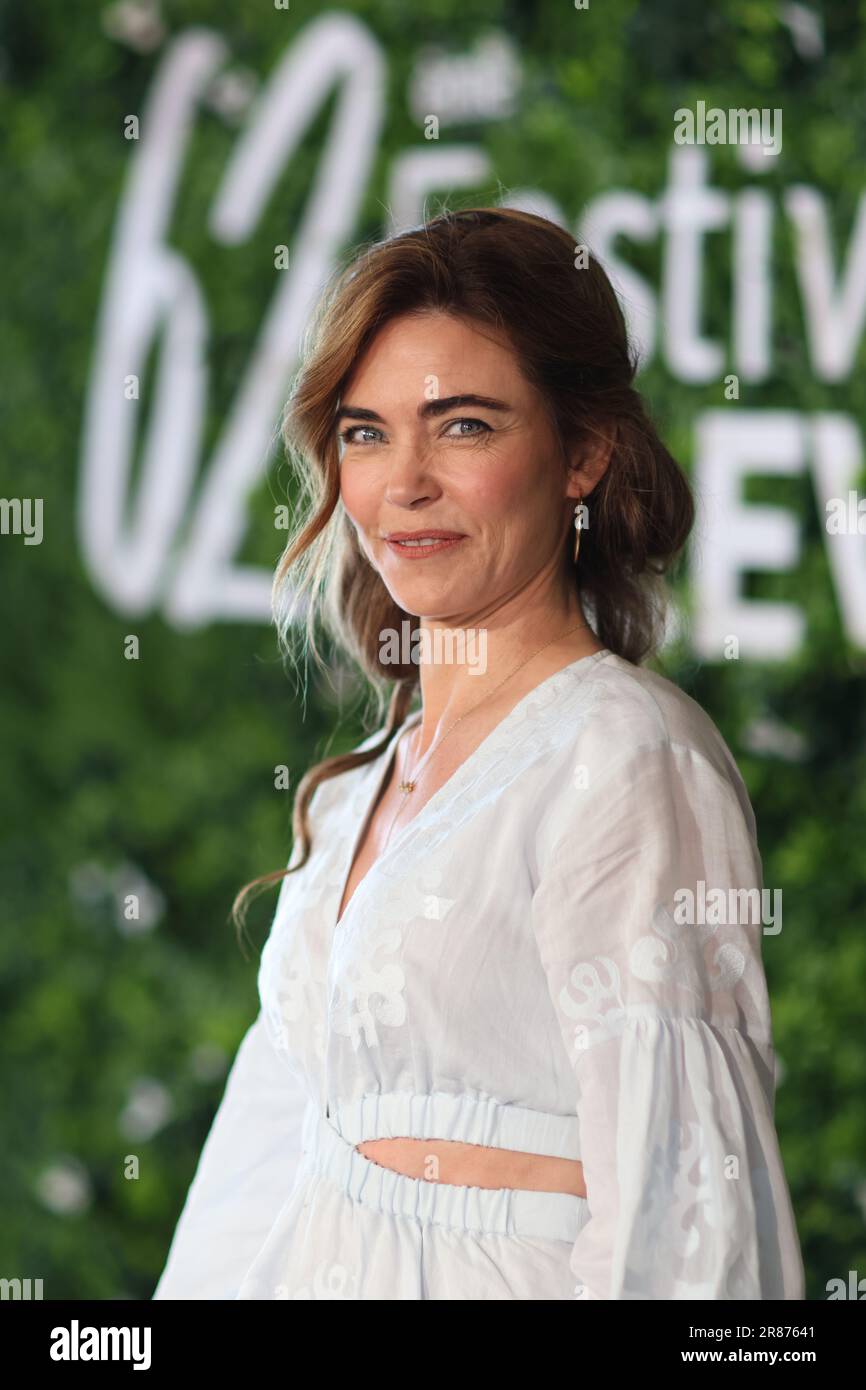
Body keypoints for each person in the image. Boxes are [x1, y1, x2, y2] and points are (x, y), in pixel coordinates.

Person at [152, 206, 805, 1300]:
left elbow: (689, 1230)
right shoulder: (364, 783)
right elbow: (253, 1182)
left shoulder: (623, 757)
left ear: (582, 453)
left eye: (461, 426)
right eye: (365, 432)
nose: (402, 481)